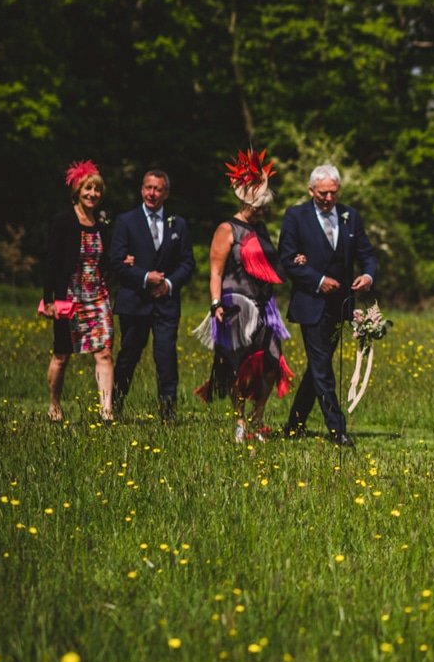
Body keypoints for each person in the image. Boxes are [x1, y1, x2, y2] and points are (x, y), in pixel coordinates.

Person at [197, 150, 295, 442]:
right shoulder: (227, 229)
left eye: (265, 208)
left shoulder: (261, 228)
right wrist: (215, 304)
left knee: (271, 364)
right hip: (236, 306)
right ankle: (240, 421)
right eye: (258, 207)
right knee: (241, 367)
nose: (262, 212)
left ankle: (258, 417)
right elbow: (215, 271)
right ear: (244, 202)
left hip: (266, 306)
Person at [279, 164, 377, 448]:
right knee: (323, 368)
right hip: (310, 304)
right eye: (322, 193)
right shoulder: (295, 216)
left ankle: (294, 425)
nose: (327, 198)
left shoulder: (350, 217)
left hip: (340, 305)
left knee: (317, 368)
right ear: (311, 191)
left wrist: (368, 275)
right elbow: (286, 260)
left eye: (333, 193)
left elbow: (366, 254)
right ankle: (338, 429)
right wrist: (318, 279)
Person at [109, 169, 194, 422]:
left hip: (166, 305)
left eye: (157, 189)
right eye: (148, 188)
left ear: (166, 193)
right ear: (141, 190)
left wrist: (168, 283)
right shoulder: (126, 221)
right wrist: (146, 277)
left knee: (166, 357)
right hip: (135, 302)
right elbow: (116, 260)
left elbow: (188, 263)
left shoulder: (177, 223)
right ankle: (112, 406)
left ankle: (168, 413)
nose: (152, 193)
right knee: (129, 356)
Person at [44, 161, 115, 423]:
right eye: (87, 188)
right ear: (77, 191)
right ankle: (54, 404)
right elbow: (51, 260)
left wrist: (124, 261)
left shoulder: (102, 222)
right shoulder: (63, 220)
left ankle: (106, 411)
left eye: (97, 189)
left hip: (97, 296)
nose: (92, 194)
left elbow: (104, 259)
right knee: (62, 355)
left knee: (104, 352)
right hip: (69, 297)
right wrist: (50, 299)